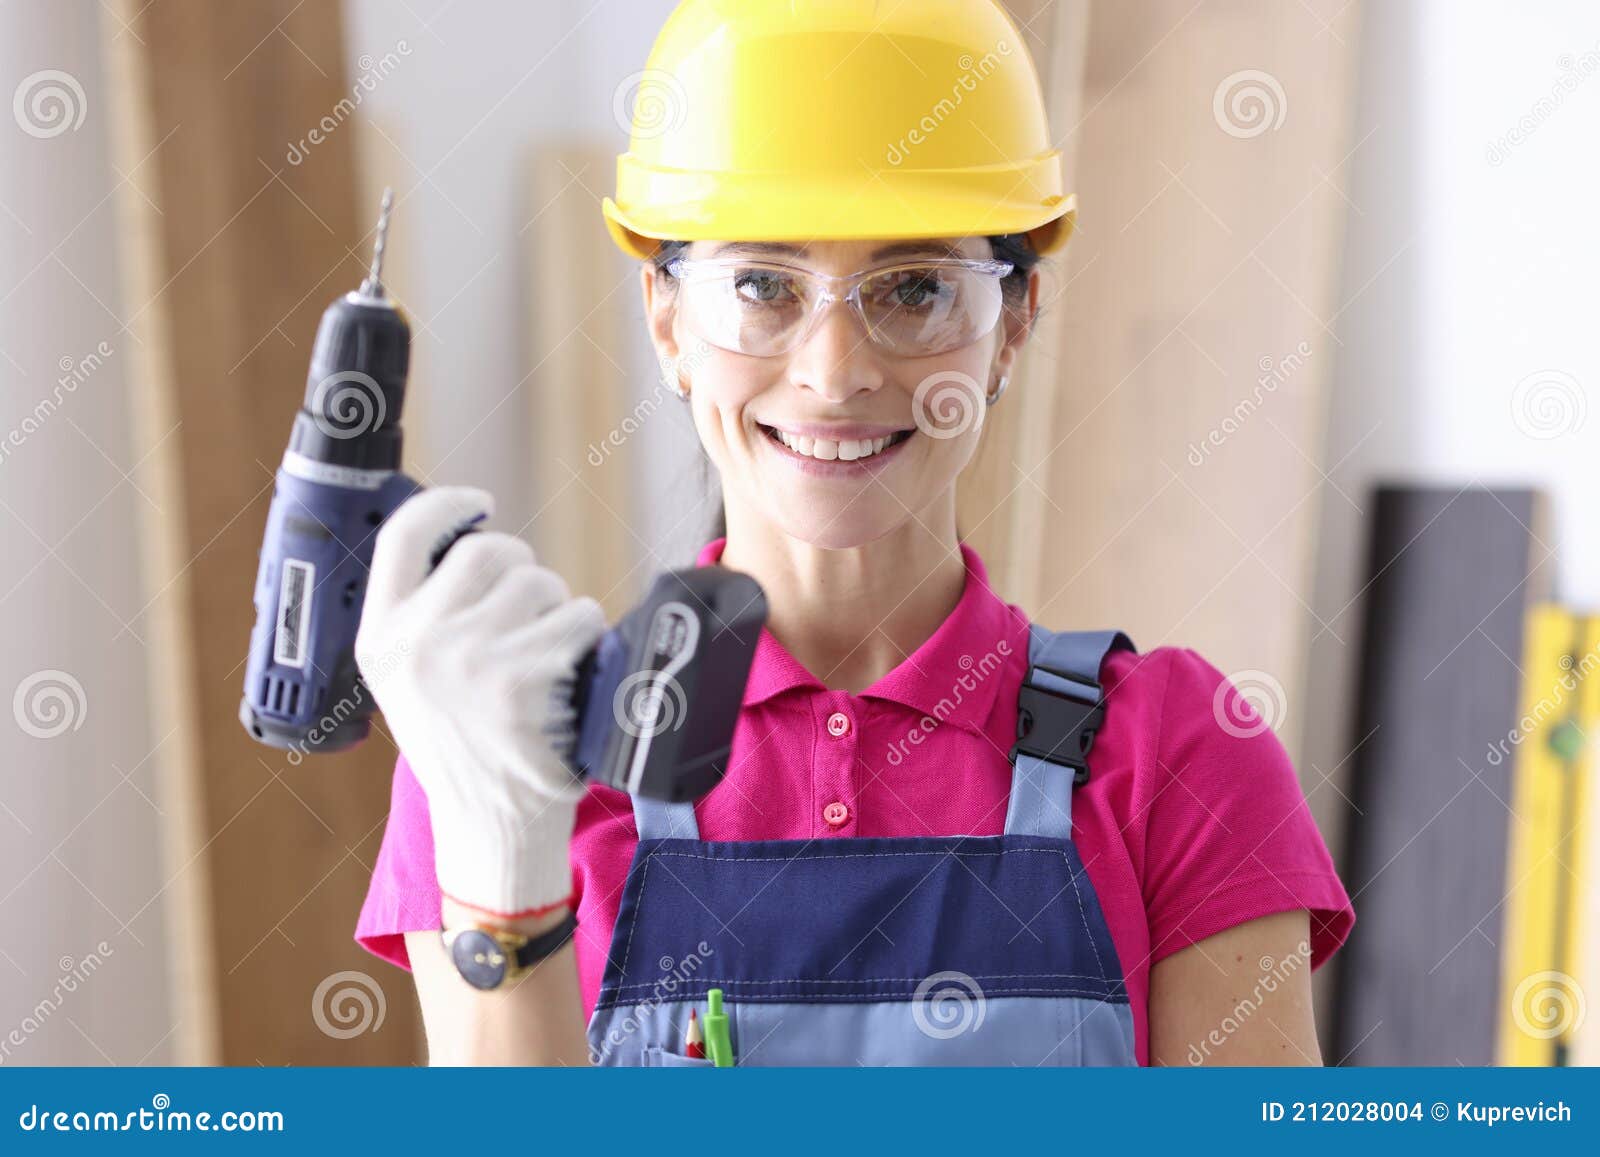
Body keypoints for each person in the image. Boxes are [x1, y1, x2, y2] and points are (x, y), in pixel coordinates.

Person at [352, 0, 1355, 1067]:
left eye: (915, 288)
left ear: (1014, 323)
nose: (835, 372)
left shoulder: (1178, 753)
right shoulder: (509, 748)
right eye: (761, 286)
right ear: (666, 318)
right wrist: (499, 855)